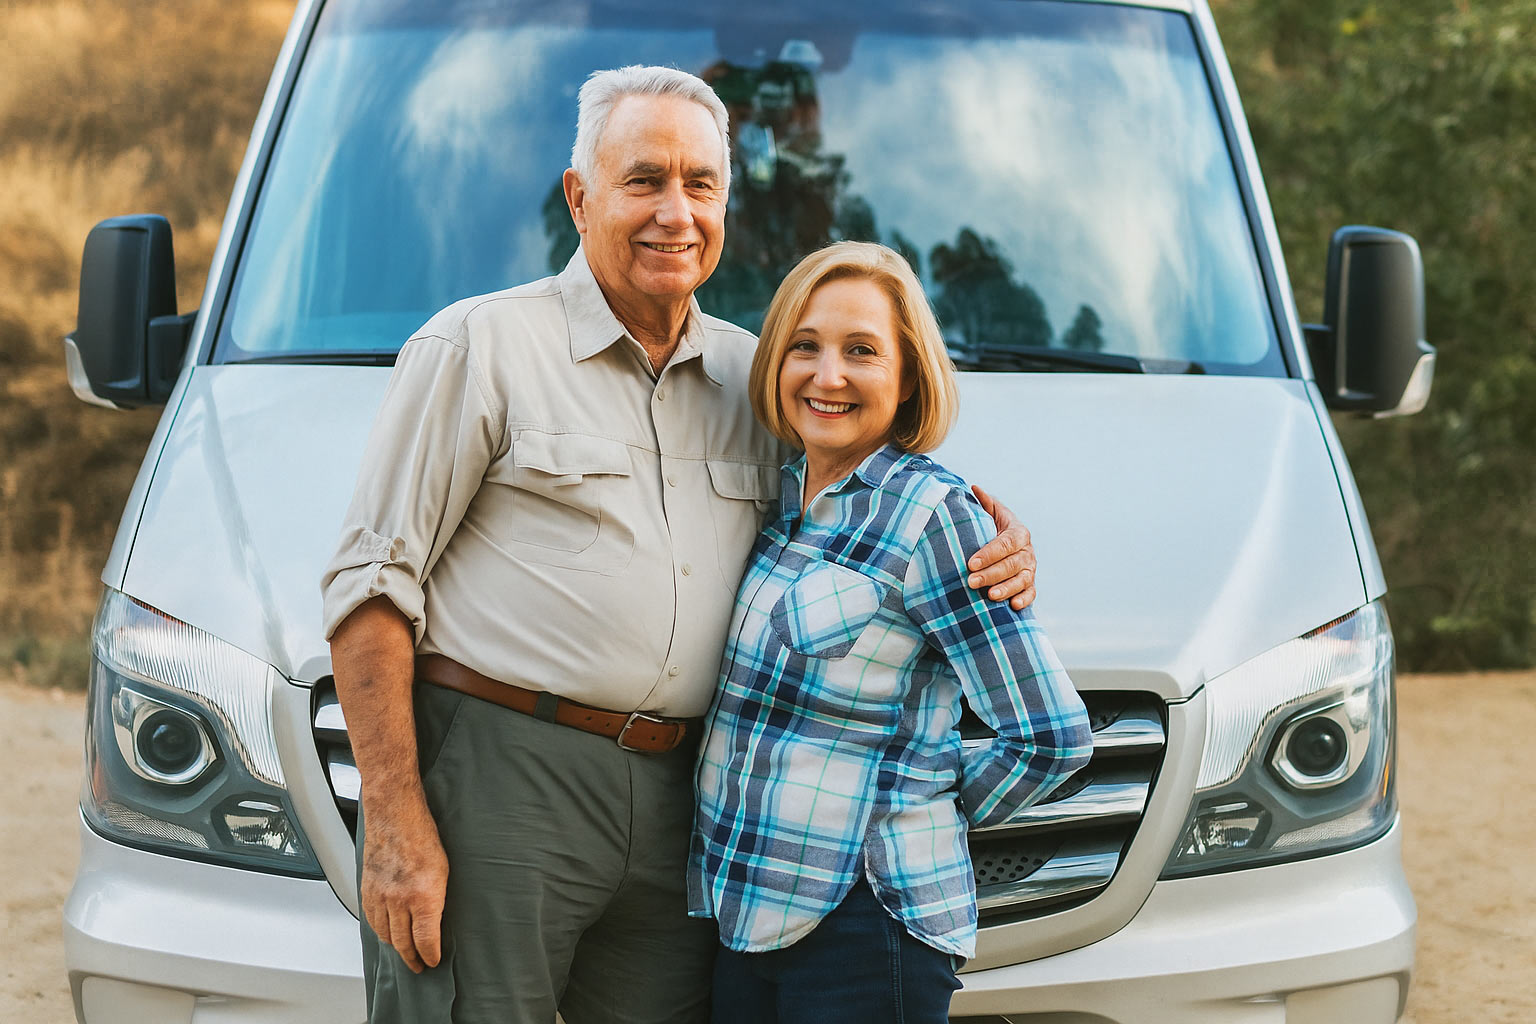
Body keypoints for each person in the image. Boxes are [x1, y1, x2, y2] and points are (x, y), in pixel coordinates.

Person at [320, 67, 1039, 1024]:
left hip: (687, 808)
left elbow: (864, 495)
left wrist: (1000, 549)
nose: (677, 212)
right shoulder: (479, 348)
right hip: (502, 781)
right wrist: (396, 820)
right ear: (580, 197)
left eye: (701, 185)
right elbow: (370, 584)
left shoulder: (757, 376)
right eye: (644, 180)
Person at [689, 241, 1094, 1024]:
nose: (827, 374)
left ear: (909, 378)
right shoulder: (774, 502)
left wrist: (913, 813)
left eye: (862, 352)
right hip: (743, 912)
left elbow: (1050, 737)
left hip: (863, 931)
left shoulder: (935, 517)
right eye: (805, 347)